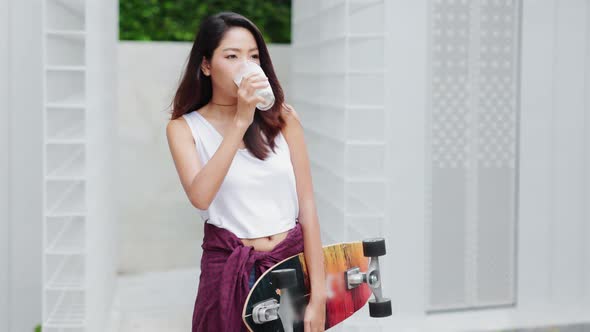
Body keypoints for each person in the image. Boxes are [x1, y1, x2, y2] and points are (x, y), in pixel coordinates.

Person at [165, 11, 326, 332]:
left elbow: (307, 206)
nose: (246, 65)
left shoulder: (284, 119)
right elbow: (200, 196)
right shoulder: (184, 128)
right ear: (206, 64)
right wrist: (241, 119)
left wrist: (319, 296)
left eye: (254, 57)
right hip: (230, 270)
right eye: (232, 56)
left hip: (289, 266)